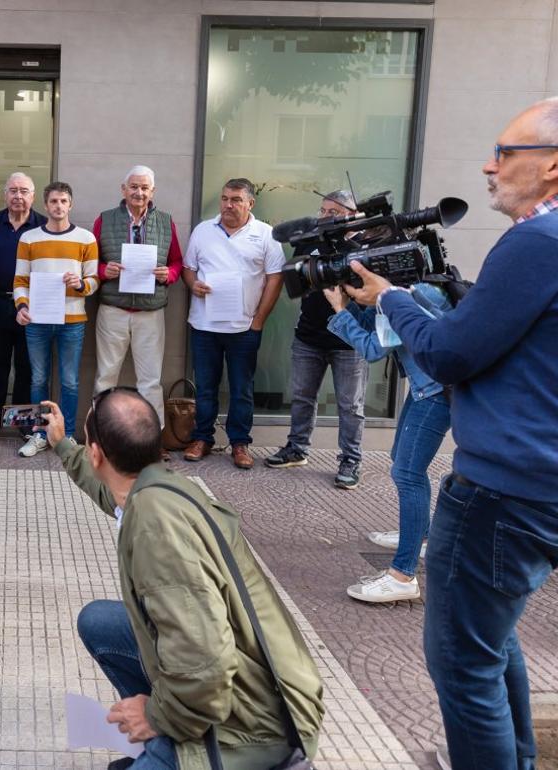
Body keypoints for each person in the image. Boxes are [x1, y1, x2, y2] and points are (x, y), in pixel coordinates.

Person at [344, 97, 558, 769]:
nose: (489, 166)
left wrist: (390, 297)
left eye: (505, 152)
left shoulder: (536, 241)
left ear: (552, 165)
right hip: (538, 486)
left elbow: (448, 354)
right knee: (492, 641)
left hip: (502, 493)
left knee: (463, 664)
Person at [44, 391, 324, 769]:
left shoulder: (156, 530)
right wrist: (63, 445)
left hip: (256, 725)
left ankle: (179, 736)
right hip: (241, 684)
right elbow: (106, 489)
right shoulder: (157, 486)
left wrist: (154, 716)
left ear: (97, 455)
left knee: (180, 687)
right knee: (98, 621)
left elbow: (207, 662)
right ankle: (171, 731)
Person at [322, 280, 451, 603]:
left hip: (437, 393)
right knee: (401, 460)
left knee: (408, 474)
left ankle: (403, 575)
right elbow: (371, 327)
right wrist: (351, 304)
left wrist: (339, 308)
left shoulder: (405, 297)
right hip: (427, 388)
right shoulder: (412, 288)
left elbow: (372, 349)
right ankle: (421, 537)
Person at [265, 191, 370, 490]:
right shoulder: (312, 238)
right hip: (309, 336)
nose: (325, 216)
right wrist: (315, 224)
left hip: (349, 340)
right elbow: (280, 236)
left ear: (352, 214)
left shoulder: (366, 244)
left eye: (333, 212)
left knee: (350, 406)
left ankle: (350, 460)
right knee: (302, 397)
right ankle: (297, 449)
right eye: (322, 210)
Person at [182, 178, 285, 469]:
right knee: (205, 387)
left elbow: (275, 278)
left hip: (244, 328)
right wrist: (193, 284)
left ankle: (240, 443)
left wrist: (259, 320)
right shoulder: (203, 230)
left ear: (250, 203)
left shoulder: (266, 234)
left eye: (236, 199)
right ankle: (202, 438)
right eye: (225, 198)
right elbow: (189, 268)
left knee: (242, 389)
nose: (228, 204)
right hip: (204, 326)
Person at [91, 165, 184, 423]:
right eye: (134, 187)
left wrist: (169, 274)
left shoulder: (165, 221)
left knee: (151, 380)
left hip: (150, 312)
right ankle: (99, 432)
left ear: (152, 191)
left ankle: (152, 437)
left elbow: (177, 261)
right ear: (123, 189)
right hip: (113, 310)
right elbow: (88, 262)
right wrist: (103, 270)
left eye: (144, 188)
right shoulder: (104, 219)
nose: (139, 192)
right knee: (106, 376)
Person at [13, 181, 98, 457]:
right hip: (36, 320)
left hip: (72, 321)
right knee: (38, 379)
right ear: (45, 205)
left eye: (63, 201)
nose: (58, 206)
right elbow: (20, 280)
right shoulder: (29, 238)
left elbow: (94, 280)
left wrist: (80, 284)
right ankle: (40, 433)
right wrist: (21, 306)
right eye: (53, 201)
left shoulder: (86, 238)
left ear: (70, 204)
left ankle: (67, 435)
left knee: (70, 381)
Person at [0, 172, 47, 440]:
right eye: (13, 191)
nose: (18, 196)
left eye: (24, 191)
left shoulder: (43, 226)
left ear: (33, 196)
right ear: (5, 195)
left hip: (30, 306)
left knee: (26, 365)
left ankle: (21, 417)